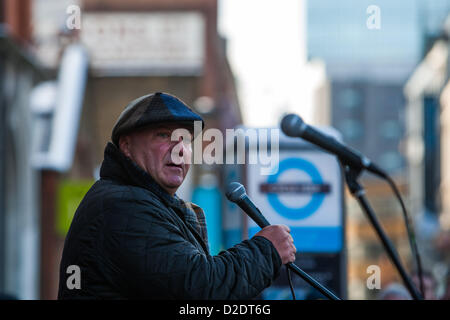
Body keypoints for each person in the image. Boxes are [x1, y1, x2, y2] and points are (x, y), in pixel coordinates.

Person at [58, 92, 296, 299]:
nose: (180, 148)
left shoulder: (146, 202)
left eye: (186, 140)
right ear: (127, 146)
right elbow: (200, 288)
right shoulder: (123, 206)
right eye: (163, 135)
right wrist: (267, 250)